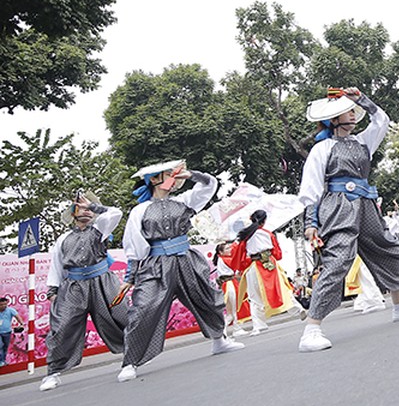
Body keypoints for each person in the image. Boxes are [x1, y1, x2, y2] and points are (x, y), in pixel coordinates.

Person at [297, 87, 399, 352]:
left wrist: (362, 100)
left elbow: (382, 120)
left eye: (353, 110)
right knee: (338, 261)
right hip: (338, 207)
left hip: (367, 205)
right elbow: (311, 188)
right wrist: (311, 223)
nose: (353, 114)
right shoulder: (322, 148)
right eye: (347, 111)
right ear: (333, 119)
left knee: (388, 249)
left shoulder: (362, 141)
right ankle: (311, 329)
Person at [118, 160, 243, 382]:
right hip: (156, 265)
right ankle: (130, 362)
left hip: (186, 259)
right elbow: (134, 246)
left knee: (207, 299)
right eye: (168, 174)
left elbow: (209, 185)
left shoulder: (183, 201)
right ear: (154, 179)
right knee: (143, 309)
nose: (173, 178)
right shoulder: (140, 211)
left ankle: (219, 340)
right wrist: (130, 276)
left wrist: (191, 174)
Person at [39, 191, 128, 391]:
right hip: (74, 287)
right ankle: (53, 373)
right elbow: (57, 265)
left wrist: (94, 206)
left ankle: (131, 359)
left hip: (102, 282)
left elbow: (116, 213)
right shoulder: (63, 238)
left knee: (119, 317)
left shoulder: (100, 229)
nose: (87, 211)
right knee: (62, 326)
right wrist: (53, 290)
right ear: (73, 212)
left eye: (90, 209)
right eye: (82, 208)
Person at [235, 209, 305, 334]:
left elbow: (240, 255)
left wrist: (241, 268)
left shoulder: (246, 236)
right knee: (282, 289)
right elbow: (278, 254)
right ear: (265, 220)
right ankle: (298, 309)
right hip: (270, 265)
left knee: (254, 296)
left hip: (254, 266)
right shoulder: (268, 234)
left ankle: (258, 325)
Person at [212, 242, 250, 338]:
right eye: (227, 249)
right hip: (229, 284)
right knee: (233, 310)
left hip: (228, 284)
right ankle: (233, 330)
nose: (230, 250)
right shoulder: (225, 259)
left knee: (231, 312)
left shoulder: (222, 259)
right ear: (221, 252)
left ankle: (227, 331)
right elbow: (237, 263)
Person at [0, 296, 24, 368]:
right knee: (0, 345)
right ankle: (1, 360)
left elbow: (18, 317)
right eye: (1, 305)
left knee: (5, 346)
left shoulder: (10, 310)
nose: (4, 306)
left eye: (5, 304)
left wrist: (21, 324)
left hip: (7, 331)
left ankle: (3, 360)